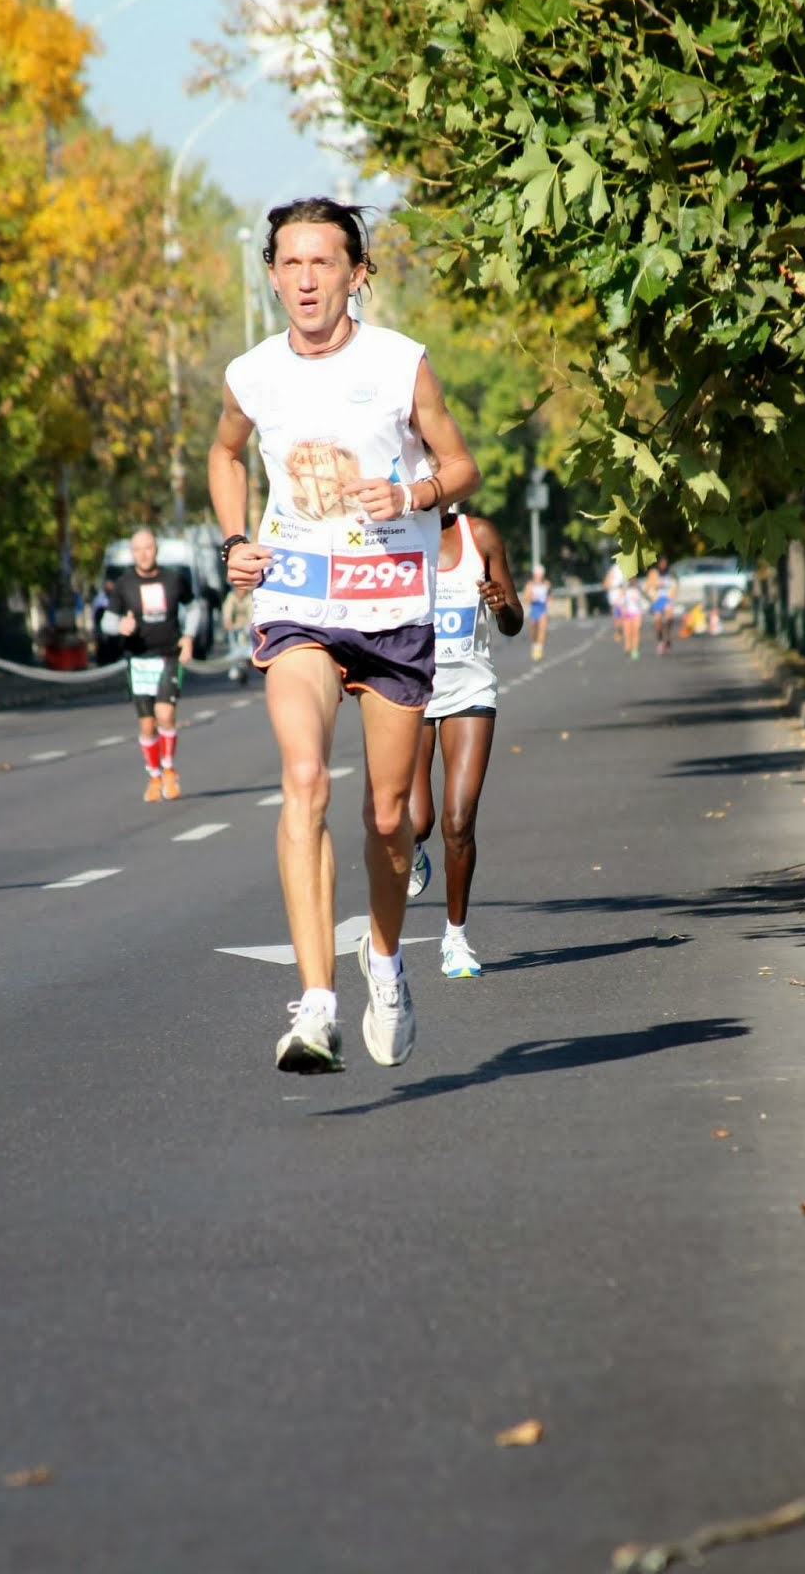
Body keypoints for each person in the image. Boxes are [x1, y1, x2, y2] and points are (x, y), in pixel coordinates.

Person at [208, 194, 481, 1075]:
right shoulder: (252, 373)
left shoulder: (400, 364)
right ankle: (316, 1003)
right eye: (290, 262)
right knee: (302, 779)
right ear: (273, 275)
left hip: (392, 607)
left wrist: (409, 496)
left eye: (323, 261)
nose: (306, 278)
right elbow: (223, 453)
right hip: (295, 602)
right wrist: (234, 541)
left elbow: (460, 463)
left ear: (355, 274)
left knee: (390, 815)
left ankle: (387, 964)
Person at [406, 507, 523, 977]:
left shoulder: (481, 536)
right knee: (418, 820)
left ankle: (455, 938)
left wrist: (500, 605)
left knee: (459, 821)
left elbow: (513, 620)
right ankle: (414, 846)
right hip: (411, 693)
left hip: (471, 691)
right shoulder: (393, 537)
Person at [100, 529, 199, 801]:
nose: (144, 554)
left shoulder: (173, 579)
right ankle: (154, 775)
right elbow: (106, 621)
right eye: (138, 549)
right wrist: (120, 625)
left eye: (148, 548)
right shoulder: (123, 585)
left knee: (165, 715)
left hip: (168, 654)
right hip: (138, 659)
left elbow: (193, 607)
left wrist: (188, 637)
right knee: (146, 724)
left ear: (155, 549)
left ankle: (168, 770)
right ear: (133, 553)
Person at [644, 555, 679, 653]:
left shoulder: (671, 573)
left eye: (665, 563)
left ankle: (667, 637)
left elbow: (675, 586)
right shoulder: (653, 573)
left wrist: (672, 596)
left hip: (667, 598)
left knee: (669, 618)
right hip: (657, 598)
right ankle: (660, 639)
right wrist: (655, 585)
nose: (663, 565)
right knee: (658, 620)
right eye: (661, 563)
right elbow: (647, 586)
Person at [522, 563, 551, 661]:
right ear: (534, 575)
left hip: (542, 608)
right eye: (537, 574)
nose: (539, 576)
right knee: (534, 628)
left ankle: (539, 648)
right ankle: (534, 645)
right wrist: (531, 597)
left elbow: (550, 595)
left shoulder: (546, 584)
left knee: (542, 627)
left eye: (540, 574)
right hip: (534, 608)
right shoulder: (530, 585)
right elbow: (526, 598)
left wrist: (549, 600)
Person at [602, 560, 626, 644]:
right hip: (614, 598)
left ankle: (622, 631)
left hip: (623, 598)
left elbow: (626, 585)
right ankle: (618, 632)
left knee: (623, 616)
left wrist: (623, 590)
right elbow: (605, 585)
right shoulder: (613, 570)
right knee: (617, 617)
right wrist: (614, 586)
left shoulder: (627, 569)